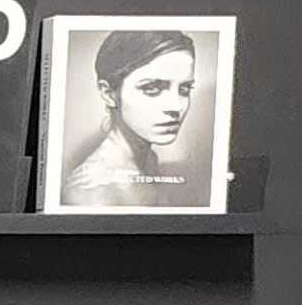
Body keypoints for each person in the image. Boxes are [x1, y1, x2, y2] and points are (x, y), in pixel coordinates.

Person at [62, 26, 208, 207]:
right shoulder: (92, 195)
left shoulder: (148, 160)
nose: (175, 106)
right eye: (152, 88)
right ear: (109, 94)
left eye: (184, 89)